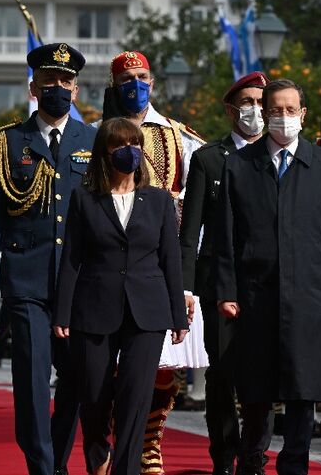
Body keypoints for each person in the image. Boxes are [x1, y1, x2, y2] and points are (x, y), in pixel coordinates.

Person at [214, 78, 321, 475]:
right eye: (274, 109)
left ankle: (294, 464)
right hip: (255, 292)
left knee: (303, 386)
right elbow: (226, 234)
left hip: (309, 294)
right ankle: (251, 460)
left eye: (290, 110)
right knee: (256, 387)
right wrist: (226, 289)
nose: (282, 117)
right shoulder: (240, 165)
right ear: (264, 112)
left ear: (303, 114)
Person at [0, 43, 93, 475]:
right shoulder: (8, 142)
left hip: (79, 283)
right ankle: (41, 469)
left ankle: (58, 461)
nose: (57, 88)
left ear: (76, 91)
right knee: (30, 381)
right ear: (33, 87)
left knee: (77, 383)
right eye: (49, 81)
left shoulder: (93, 140)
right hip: (26, 282)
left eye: (65, 82)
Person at [52, 117, 189, 475]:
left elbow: (170, 261)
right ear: (105, 153)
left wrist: (178, 315)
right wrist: (62, 313)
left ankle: (126, 469)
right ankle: (98, 456)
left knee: (135, 397)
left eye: (134, 143)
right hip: (93, 309)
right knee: (94, 396)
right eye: (119, 145)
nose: (129, 151)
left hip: (148, 311)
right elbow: (72, 260)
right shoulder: (84, 199)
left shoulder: (159, 200)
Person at [105, 50, 207, 474]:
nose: (136, 83)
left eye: (143, 75)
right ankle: (117, 440)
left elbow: (195, 204)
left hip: (160, 263)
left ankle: (149, 445)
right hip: (110, 262)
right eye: (127, 77)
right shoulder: (98, 133)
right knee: (111, 366)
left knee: (163, 364)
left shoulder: (178, 136)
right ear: (115, 85)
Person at [178, 72, 269, 475]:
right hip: (218, 283)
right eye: (247, 101)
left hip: (266, 284)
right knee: (222, 375)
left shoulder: (276, 156)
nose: (255, 109)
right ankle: (224, 455)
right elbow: (190, 230)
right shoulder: (209, 158)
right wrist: (185, 288)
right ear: (231, 109)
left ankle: (254, 456)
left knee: (263, 373)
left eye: (260, 101)